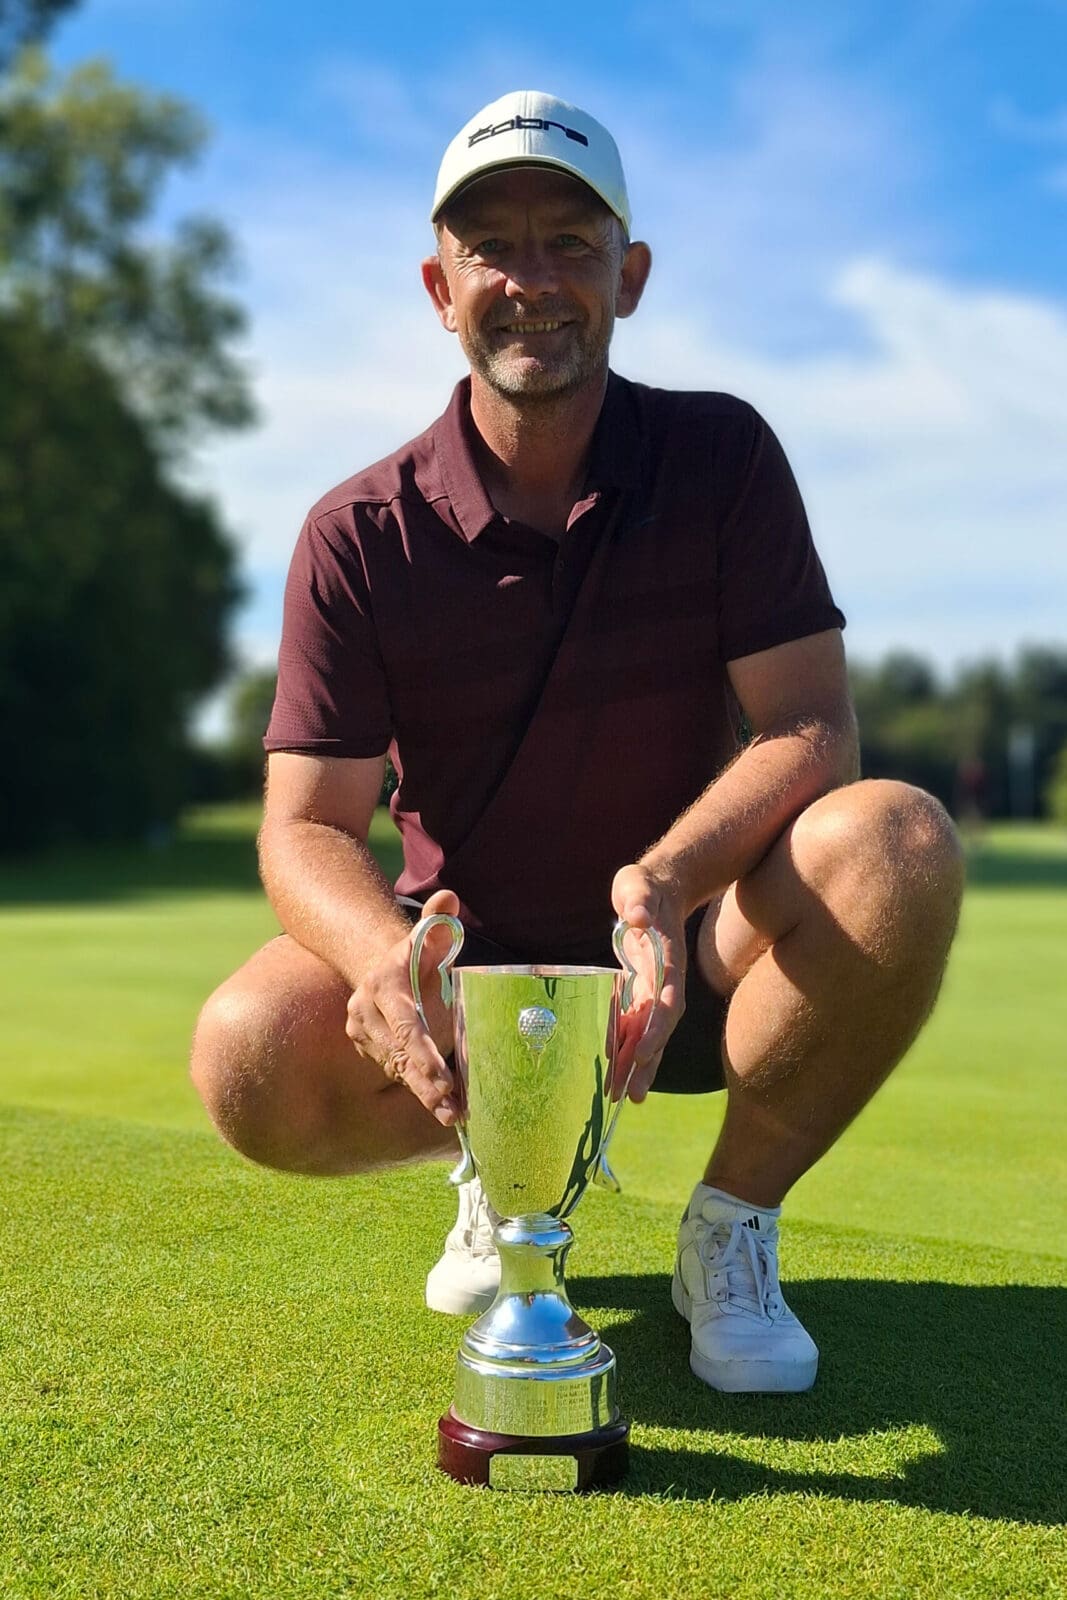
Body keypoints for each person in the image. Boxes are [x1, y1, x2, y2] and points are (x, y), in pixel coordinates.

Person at [190, 90, 964, 1394]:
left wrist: (662, 884)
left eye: (570, 243)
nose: (531, 280)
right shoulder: (355, 533)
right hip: (468, 989)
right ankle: (500, 1162)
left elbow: (810, 726)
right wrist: (383, 962)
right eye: (492, 247)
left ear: (630, 277)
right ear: (440, 288)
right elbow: (306, 822)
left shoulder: (723, 458)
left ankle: (731, 1226)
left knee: (897, 841)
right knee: (244, 1052)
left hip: (685, 959)